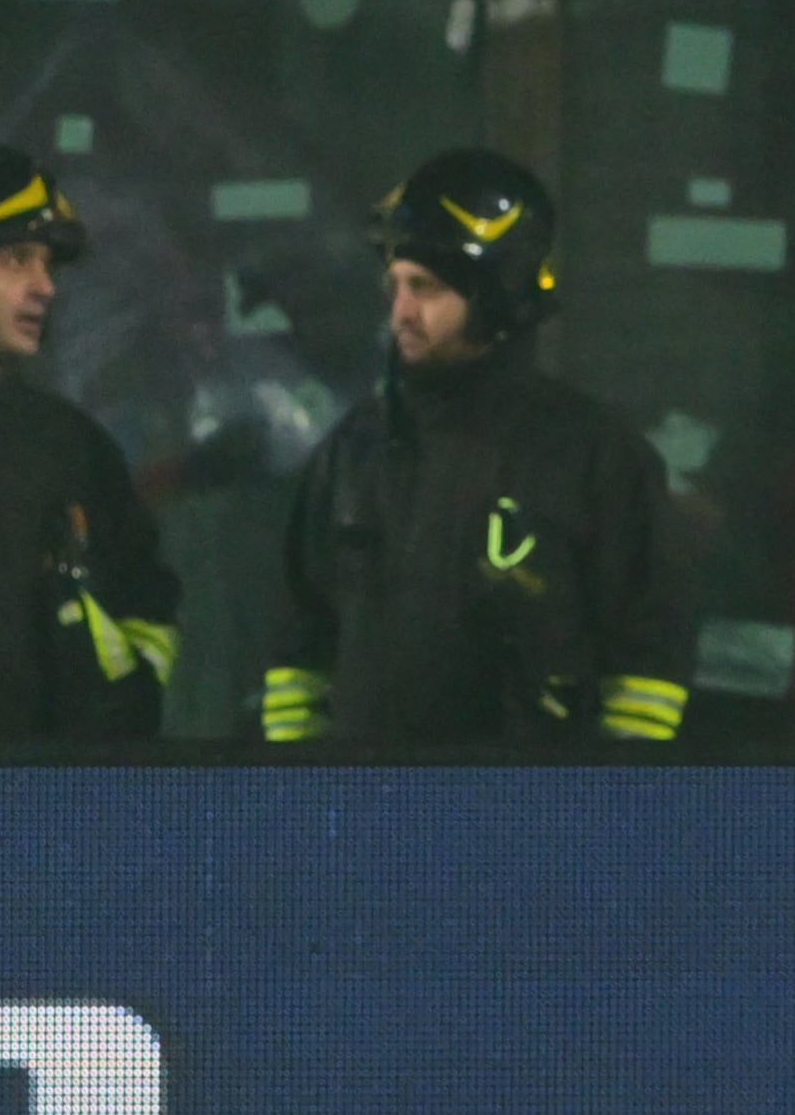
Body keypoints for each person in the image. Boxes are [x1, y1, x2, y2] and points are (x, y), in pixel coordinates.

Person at [263, 151, 691, 750]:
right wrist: (303, 795)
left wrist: (601, 814)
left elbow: (648, 662)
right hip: (367, 821)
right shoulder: (353, 452)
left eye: (426, 288)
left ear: (494, 297)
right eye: (396, 286)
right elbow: (298, 646)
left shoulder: (593, 456)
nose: (401, 312)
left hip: (528, 825)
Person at [0, 145, 176, 739]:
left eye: (48, 266)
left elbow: (145, 615)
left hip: (55, 795)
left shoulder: (71, 447)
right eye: (16, 259)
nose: (44, 286)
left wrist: (114, 715)